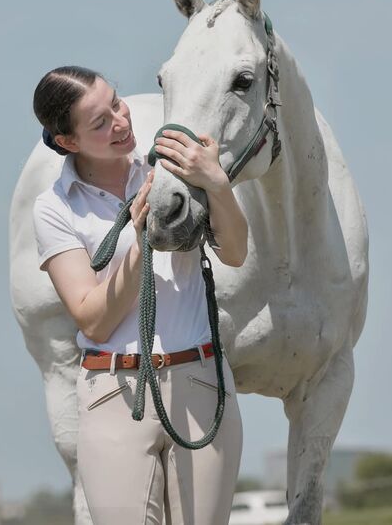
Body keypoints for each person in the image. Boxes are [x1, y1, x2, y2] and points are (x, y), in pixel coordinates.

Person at [32, 65, 248, 525]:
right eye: (100, 122)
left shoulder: (168, 171)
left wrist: (217, 184)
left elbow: (235, 252)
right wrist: (140, 234)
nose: (121, 121)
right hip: (115, 394)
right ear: (68, 142)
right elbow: (93, 318)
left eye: (115, 102)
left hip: (201, 380)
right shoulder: (54, 208)